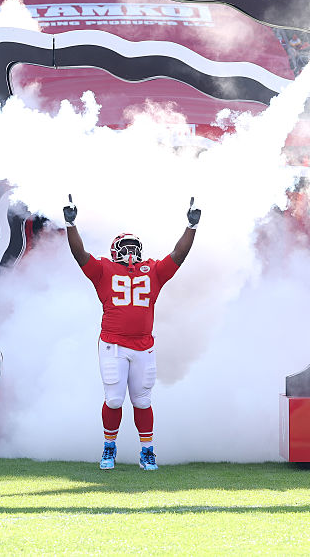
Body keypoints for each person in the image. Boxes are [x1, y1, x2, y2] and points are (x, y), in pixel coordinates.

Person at [64, 195, 201, 471]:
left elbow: (178, 255)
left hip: (143, 346)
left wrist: (191, 227)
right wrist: (70, 224)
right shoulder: (103, 269)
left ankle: (147, 450)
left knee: (142, 400)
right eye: (124, 247)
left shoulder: (153, 271)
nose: (130, 252)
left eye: (133, 247)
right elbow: (80, 255)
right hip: (113, 344)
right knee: (114, 399)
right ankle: (109, 446)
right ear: (114, 251)